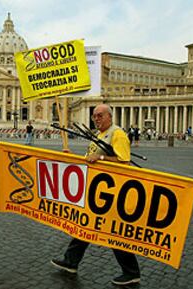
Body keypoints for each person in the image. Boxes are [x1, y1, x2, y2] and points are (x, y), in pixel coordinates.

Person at [51, 104, 140, 286]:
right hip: (97, 191)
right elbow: (89, 158)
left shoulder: (118, 134)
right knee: (85, 226)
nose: (96, 119)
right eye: (94, 117)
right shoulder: (100, 136)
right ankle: (71, 261)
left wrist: (100, 158)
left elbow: (124, 162)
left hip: (112, 192)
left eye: (100, 116)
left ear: (109, 116)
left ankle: (131, 272)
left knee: (114, 233)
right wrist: (72, 156)